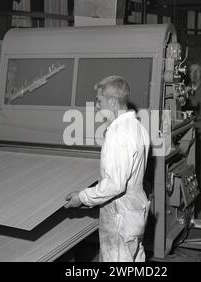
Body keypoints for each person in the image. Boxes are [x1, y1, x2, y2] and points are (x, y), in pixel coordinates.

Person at [64, 75, 150, 262]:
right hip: (135, 210)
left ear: (112, 102)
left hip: (120, 216)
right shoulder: (138, 127)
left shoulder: (119, 134)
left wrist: (82, 197)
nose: (96, 106)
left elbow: (114, 185)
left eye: (99, 100)